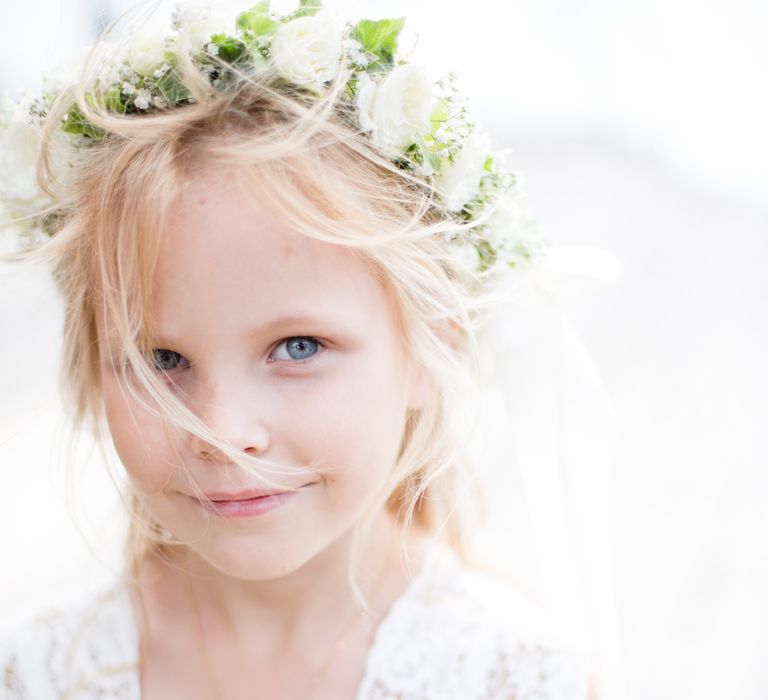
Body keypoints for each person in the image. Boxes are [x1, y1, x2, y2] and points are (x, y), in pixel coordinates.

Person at [0, 1, 597, 697]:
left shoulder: (513, 675)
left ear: (431, 344)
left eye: (298, 346)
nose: (223, 434)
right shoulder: (42, 673)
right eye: (161, 361)